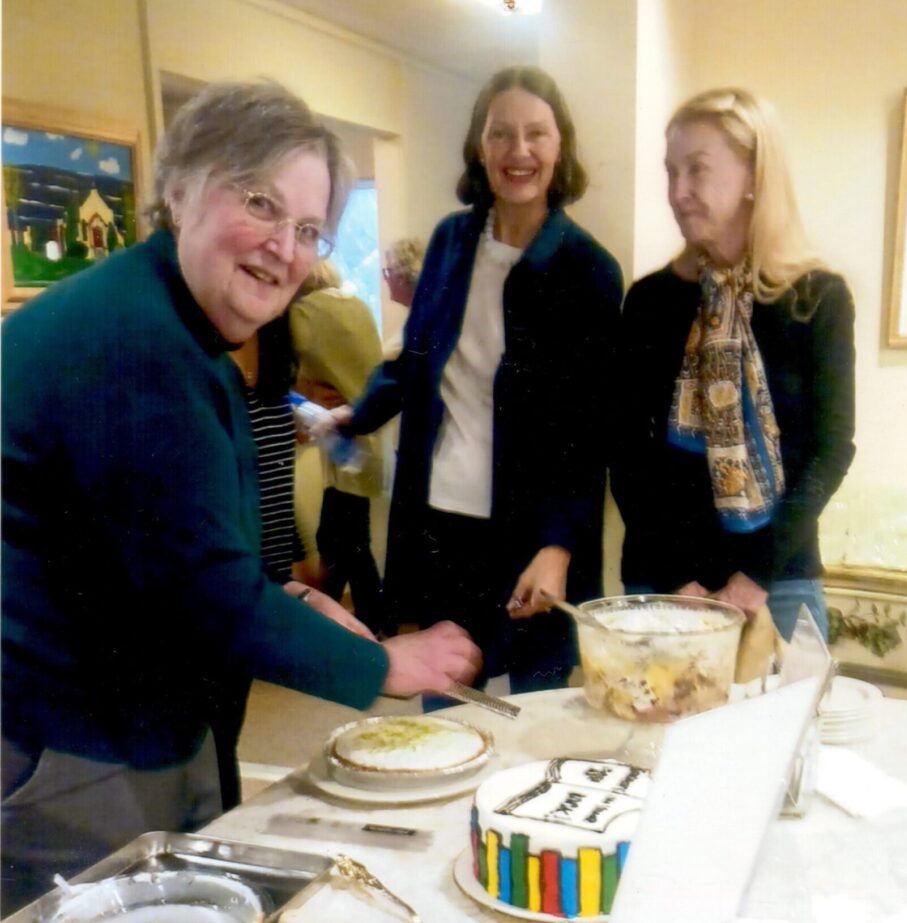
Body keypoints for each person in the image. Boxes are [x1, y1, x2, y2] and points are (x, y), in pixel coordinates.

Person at [0, 79, 480, 912]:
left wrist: (293, 594)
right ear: (180, 188)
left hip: (134, 722)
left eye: (307, 230)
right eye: (260, 203)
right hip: (77, 741)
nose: (285, 249)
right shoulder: (135, 340)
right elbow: (204, 592)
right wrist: (384, 663)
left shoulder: (181, 331)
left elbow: (175, 549)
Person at [338, 66, 623, 693]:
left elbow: (588, 432)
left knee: (536, 720)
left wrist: (558, 548)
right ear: (479, 146)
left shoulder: (589, 271)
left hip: (532, 535)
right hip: (441, 523)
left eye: (536, 135)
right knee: (446, 708)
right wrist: (356, 414)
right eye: (500, 134)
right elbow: (417, 361)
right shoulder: (449, 242)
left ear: (559, 147)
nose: (518, 152)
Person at [611, 87, 855, 641]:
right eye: (671, 172)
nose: (678, 193)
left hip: (778, 583)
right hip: (664, 584)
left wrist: (754, 576)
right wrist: (680, 580)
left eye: (697, 170)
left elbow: (832, 447)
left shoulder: (815, 298)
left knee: (782, 729)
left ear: (753, 177)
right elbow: (626, 452)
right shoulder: (651, 301)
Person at [290, 262, 386, 633]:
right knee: (347, 541)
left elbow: (281, 367)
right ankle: (365, 626)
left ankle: (356, 628)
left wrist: (304, 392)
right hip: (367, 437)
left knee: (343, 544)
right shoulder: (357, 306)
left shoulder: (305, 313)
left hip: (342, 440)